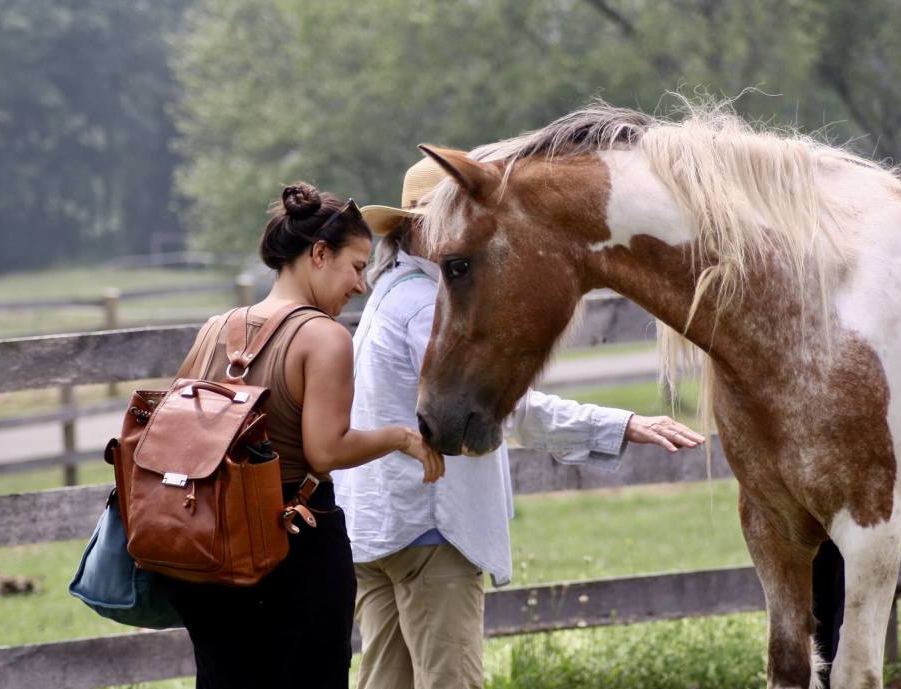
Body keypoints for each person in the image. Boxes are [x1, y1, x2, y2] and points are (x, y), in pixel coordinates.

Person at [335, 157, 706, 689]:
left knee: (384, 681)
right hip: (428, 526)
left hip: (377, 527)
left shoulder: (389, 294)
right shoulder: (425, 306)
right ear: (417, 227)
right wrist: (618, 424)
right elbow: (506, 406)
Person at [168, 182, 444, 689]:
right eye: (357, 267)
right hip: (294, 546)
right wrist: (401, 437)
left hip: (207, 551)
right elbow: (325, 450)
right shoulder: (323, 336)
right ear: (320, 253)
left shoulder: (214, 328)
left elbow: (182, 431)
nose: (360, 285)